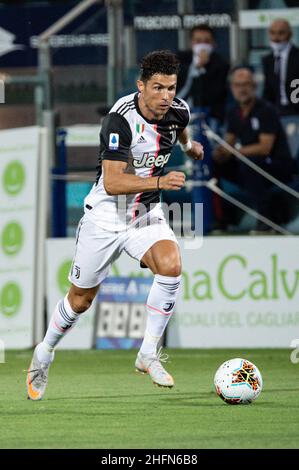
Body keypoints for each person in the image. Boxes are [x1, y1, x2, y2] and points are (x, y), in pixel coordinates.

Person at [26, 50, 204, 400]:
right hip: (106, 215)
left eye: (171, 87)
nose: (166, 96)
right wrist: (160, 182)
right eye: (158, 88)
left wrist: (190, 146)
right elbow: (113, 183)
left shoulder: (178, 110)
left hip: (145, 214)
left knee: (171, 266)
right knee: (80, 300)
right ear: (141, 86)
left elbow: (181, 128)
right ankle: (44, 352)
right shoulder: (119, 120)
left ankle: (148, 354)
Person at [213, 66, 294, 231]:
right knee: (214, 165)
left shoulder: (266, 110)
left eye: (246, 84)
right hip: (250, 165)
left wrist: (233, 152)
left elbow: (265, 147)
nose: (242, 89)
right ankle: (223, 217)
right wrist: (219, 153)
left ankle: (267, 219)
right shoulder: (233, 112)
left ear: (254, 87)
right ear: (232, 88)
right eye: (237, 85)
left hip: (278, 166)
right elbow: (229, 141)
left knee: (250, 163)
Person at [177, 24, 230, 124]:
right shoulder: (181, 59)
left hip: (208, 115)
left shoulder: (221, 64)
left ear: (213, 44)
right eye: (198, 41)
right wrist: (194, 68)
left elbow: (214, 96)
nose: (202, 45)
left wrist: (202, 69)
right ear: (192, 43)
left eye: (206, 42)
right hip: (180, 112)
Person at [262, 18, 299, 116]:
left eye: (281, 33)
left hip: (296, 110)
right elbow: (268, 90)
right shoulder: (267, 60)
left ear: (290, 35)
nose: (276, 38)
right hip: (276, 111)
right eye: (272, 33)